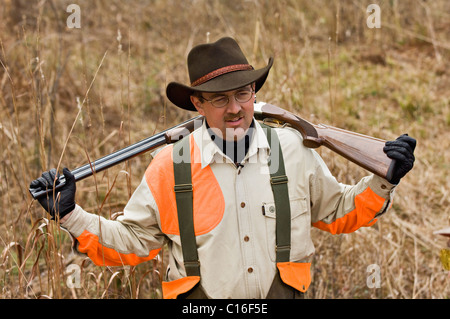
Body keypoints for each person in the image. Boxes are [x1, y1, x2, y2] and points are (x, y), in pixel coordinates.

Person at [29, 37, 416, 299]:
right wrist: (71, 216)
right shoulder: (170, 165)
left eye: (242, 94)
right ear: (197, 103)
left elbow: (338, 212)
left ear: (254, 93)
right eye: (219, 98)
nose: (234, 108)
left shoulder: (294, 149)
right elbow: (133, 242)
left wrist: (385, 178)